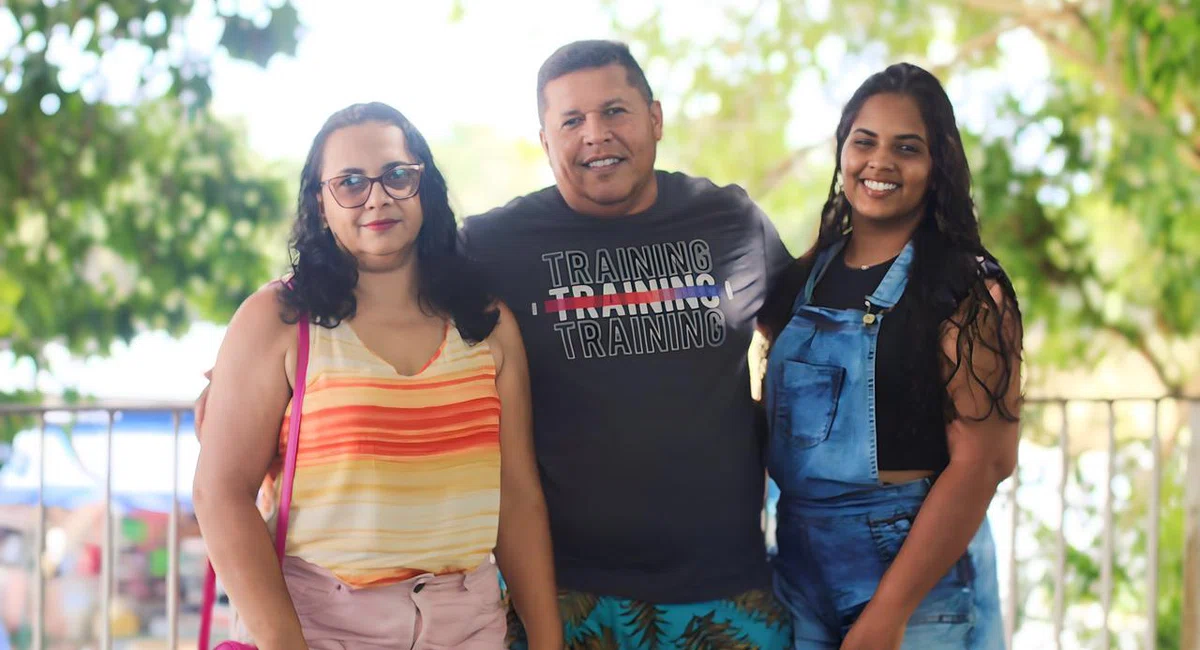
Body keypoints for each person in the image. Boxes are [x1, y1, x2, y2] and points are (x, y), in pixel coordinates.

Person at [460, 40, 794, 649]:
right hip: (559, 595)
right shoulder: (490, 245)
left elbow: (817, 333)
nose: (595, 134)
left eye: (614, 111)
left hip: (725, 592)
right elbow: (390, 309)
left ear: (655, 119)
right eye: (571, 120)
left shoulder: (730, 221)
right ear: (546, 141)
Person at [191, 102, 561, 650]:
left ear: (425, 187)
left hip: (468, 626)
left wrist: (548, 640)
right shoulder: (278, 319)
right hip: (317, 627)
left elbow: (517, 496)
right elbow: (219, 492)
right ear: (320, 201)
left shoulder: (488, 324)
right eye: (350, 183)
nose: (378, 197)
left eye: (396, 175)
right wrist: (283, 642)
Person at [758, 63, 1023, 649]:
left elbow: (984, 464)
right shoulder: (802, 280)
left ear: (938, 167)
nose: (880, 163)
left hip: (914, 580)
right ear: (842, 149)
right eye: (864, 141)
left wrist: (890, 612)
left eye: (907, 148)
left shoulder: (967, 288)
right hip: (798, 572)